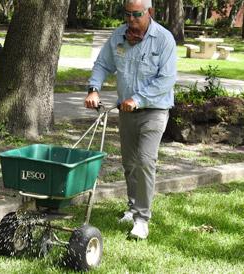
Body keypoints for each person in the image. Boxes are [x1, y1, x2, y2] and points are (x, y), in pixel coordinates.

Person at [85, 0, 177, 239]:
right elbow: (103, 64)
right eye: (127, 15)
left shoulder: (164, 39)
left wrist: (138, 99)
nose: (131, 20)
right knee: (130, 164)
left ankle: (143, 219)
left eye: (136, 15)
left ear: (150, 13)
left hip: (154, 111)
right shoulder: (119, 36)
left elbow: (166, 79)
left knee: (146, 161)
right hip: (126, 113)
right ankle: (133, 207)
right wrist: (93, 89)